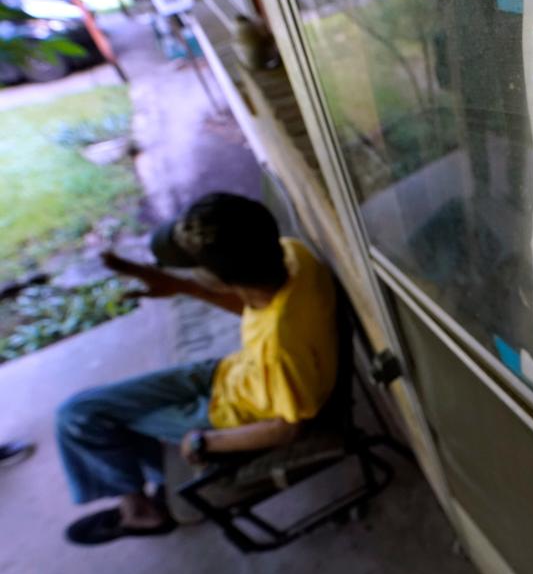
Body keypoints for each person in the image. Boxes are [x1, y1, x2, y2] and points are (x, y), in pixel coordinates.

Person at [56, 193, 338, 545]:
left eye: (191, 267)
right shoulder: (293, 256)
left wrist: (204, 441)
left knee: (89, 417)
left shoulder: (282, 349)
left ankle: (141, 510)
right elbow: (256, 304)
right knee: (77, 411)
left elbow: (288, 428)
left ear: (216, 276)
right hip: (228, 373)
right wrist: (179, 285)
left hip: (224, 413)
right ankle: (142, 494)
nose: (187, 271)